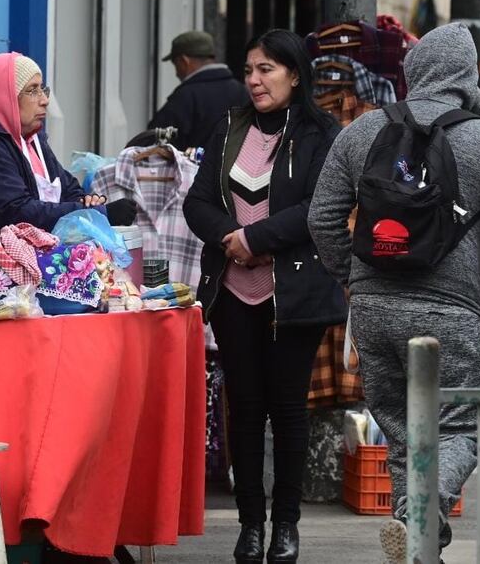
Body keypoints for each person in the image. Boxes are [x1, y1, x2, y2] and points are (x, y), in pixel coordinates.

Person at [308, 22, 480, 563]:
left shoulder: (360, 133)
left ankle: (417, 543)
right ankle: (419, 516)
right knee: (457, 425)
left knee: (401, 427)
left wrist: (351, 279)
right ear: (464, 74)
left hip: (374, 310)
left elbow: (321, 219)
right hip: (452, 312)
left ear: (415, 72)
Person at [183, 29, 347, 564]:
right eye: (249, 70)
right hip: (233, 292)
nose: (254, 80)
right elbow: (198, 201)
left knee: (288, 409)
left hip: (293, 293)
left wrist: (257, 239)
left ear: (294, 75)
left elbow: (320, 207)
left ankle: (287, 526)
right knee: (245, 410)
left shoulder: (321, 133)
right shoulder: (230, 125)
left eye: (267, 70)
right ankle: (250, 526)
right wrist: (231, 238)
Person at [0, 52, 137, 233]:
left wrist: (88, 203)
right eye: (33, 90)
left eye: (43, 89)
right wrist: (97, 214)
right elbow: (15, 212)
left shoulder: (32, 140)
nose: (45, 100)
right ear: (4, 97)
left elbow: (69, 188)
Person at [149, 30, 248, 153]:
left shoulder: (184, 98)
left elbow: (153, 141)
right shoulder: (242, 91)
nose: (176, 73)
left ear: (184, 61)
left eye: (175, 65)